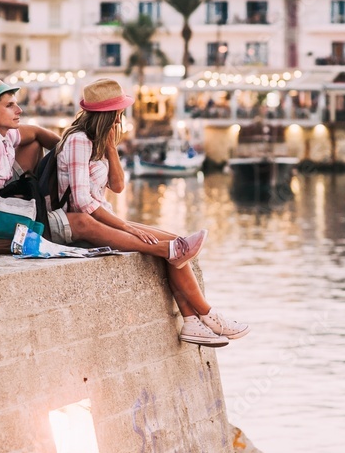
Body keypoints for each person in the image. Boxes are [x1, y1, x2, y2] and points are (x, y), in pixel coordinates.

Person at [0, 77, 228, 316]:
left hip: (8, 211)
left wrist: (66, 151)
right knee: (85, 222)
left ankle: (197, 314)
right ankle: (192, 292)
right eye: (9, 105)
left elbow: (33, 133)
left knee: (34, 146)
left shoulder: (2, 136)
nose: (19, 109)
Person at [54, 78, 250, 347]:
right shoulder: (78, 141)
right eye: (118, 113)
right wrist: (126, 226)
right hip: (81, 223)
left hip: (101, 217)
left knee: (176, 242)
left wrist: (111, 148)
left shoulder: (98, 143)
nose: (120, 119)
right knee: (173, 248)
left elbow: (118, 186)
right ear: (108, 114)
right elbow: (80, 201)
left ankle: (192, 322)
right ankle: (208, 315)